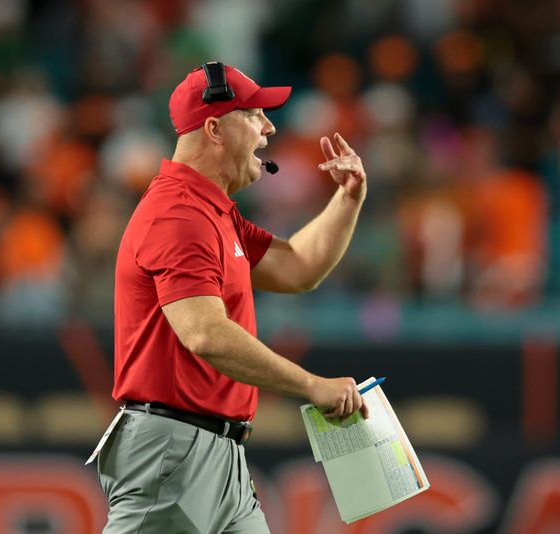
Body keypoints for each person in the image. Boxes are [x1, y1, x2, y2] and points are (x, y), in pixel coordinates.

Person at [90, 62, 368, 533]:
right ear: (216, 129)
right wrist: (310, 384)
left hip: (218, 450)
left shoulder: (213, 211)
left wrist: (348, 198)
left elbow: (298, 266)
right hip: (172, 449)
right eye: (255, 114)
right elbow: (205, 333)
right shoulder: (179, 215)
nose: (269, 127)